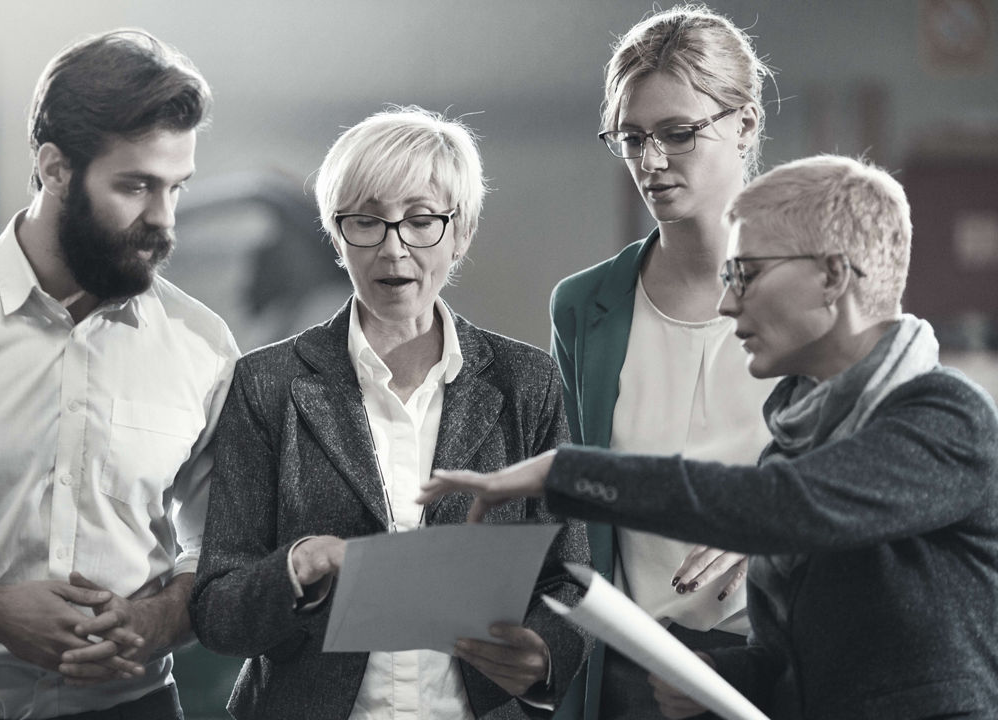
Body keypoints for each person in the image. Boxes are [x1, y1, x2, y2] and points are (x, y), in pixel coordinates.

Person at [421, 154, 998, 719]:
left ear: (832, 276)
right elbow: (801, 661)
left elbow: (783, 507)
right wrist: (724, 678)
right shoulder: (800, 437)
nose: (726, 302)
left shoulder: (945, 417)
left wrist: (566, 471)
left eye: (745, 275)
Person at [190, 107, 592, 719]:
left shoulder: (528, 383)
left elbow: (572, 579)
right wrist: (296, 567)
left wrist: (543, 652)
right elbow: (218, 610)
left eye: (422, 220)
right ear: (336, 234)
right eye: (366, 222)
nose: (393, 247)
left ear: (461, 234)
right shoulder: (268, 383)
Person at [0, 29, 238, 720]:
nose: (163, 220)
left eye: (176, 187)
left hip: (136, 706)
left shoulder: (202, 346)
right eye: (136, 186)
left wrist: (164, 618)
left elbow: (224, 544)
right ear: (55, 169)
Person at [548, 6, 777, 718]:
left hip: (784, 665)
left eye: (678, 134)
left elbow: (872, 485)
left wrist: (774, 527)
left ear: (743, 124)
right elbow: (575, 506)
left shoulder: (820, 289)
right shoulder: (584, 307)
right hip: (631, 676)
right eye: (631, 138)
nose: (650, 162)